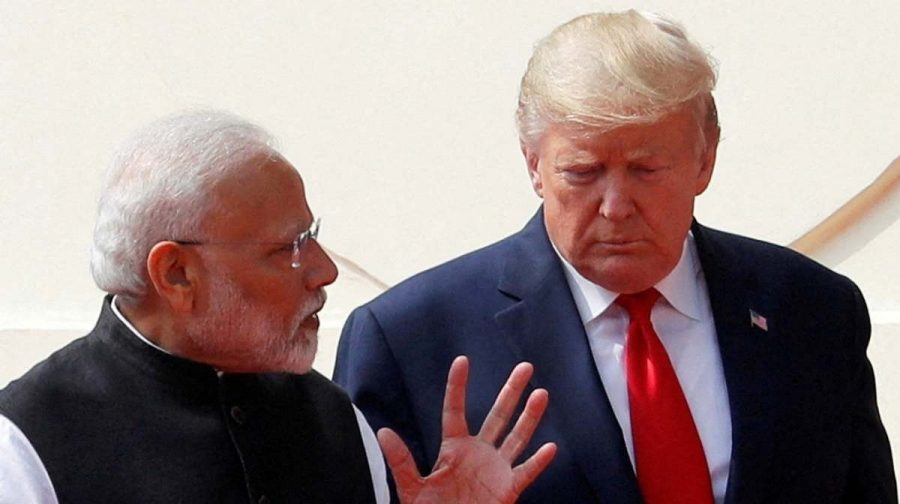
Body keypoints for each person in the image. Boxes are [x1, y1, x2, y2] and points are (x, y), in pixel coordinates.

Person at [334, 10, 897, 504]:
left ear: (705, 160)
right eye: (582, 172)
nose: (615, 206)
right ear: (533, 163)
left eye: (647, 170)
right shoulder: (410, 340)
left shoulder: (813, 310)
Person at [0, 111, 555, 503]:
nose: (324, 270)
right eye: (287, 248)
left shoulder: (333, 418)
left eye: (312, 237)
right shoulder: (26, 446)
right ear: (176, 274)